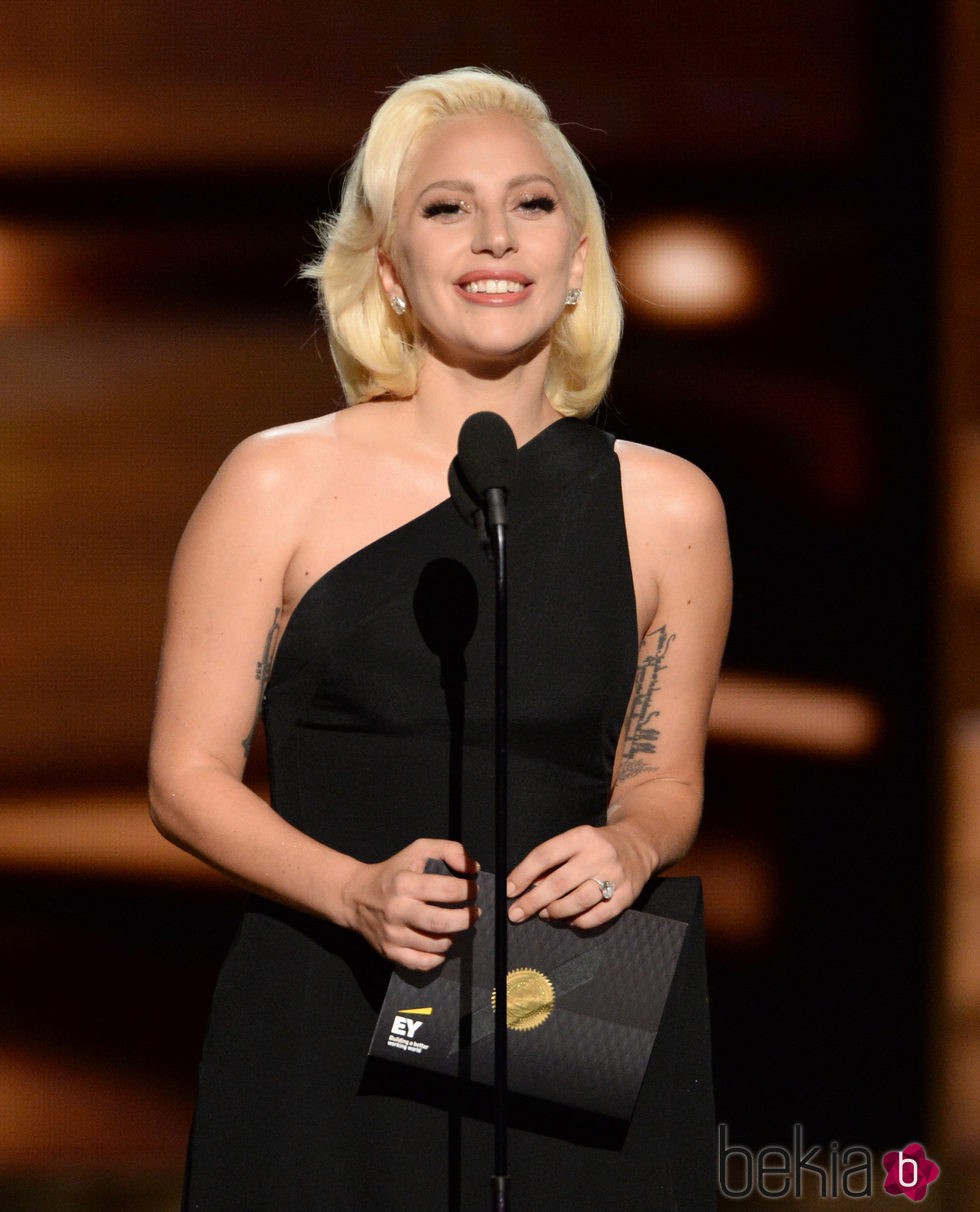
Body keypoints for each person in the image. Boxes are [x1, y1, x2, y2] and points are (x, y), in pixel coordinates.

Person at [149, 67, 731, 1210]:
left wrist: (629, 847)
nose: (492, 235)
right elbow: (184, 777)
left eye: (530, 202)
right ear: (390, 272)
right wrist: (352, 890)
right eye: (444, 206)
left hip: (569, 1015)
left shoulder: (670, 507)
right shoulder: (277, 480)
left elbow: (662, 778)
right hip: (327, 1010)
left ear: (576, 263)